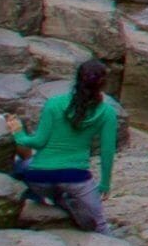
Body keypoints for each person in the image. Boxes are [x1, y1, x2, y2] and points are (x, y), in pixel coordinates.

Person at [12, 58, 120, 231]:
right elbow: (107, 151)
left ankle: (59, 202)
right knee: (99, 224)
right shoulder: (107, 112)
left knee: (22, 169)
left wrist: (18, 132)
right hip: (75, 177)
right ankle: (70, 204)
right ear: (103, 84)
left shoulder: (54, 104)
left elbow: (38, 142)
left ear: (77, 79)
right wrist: (105, 183)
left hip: (40, 178)